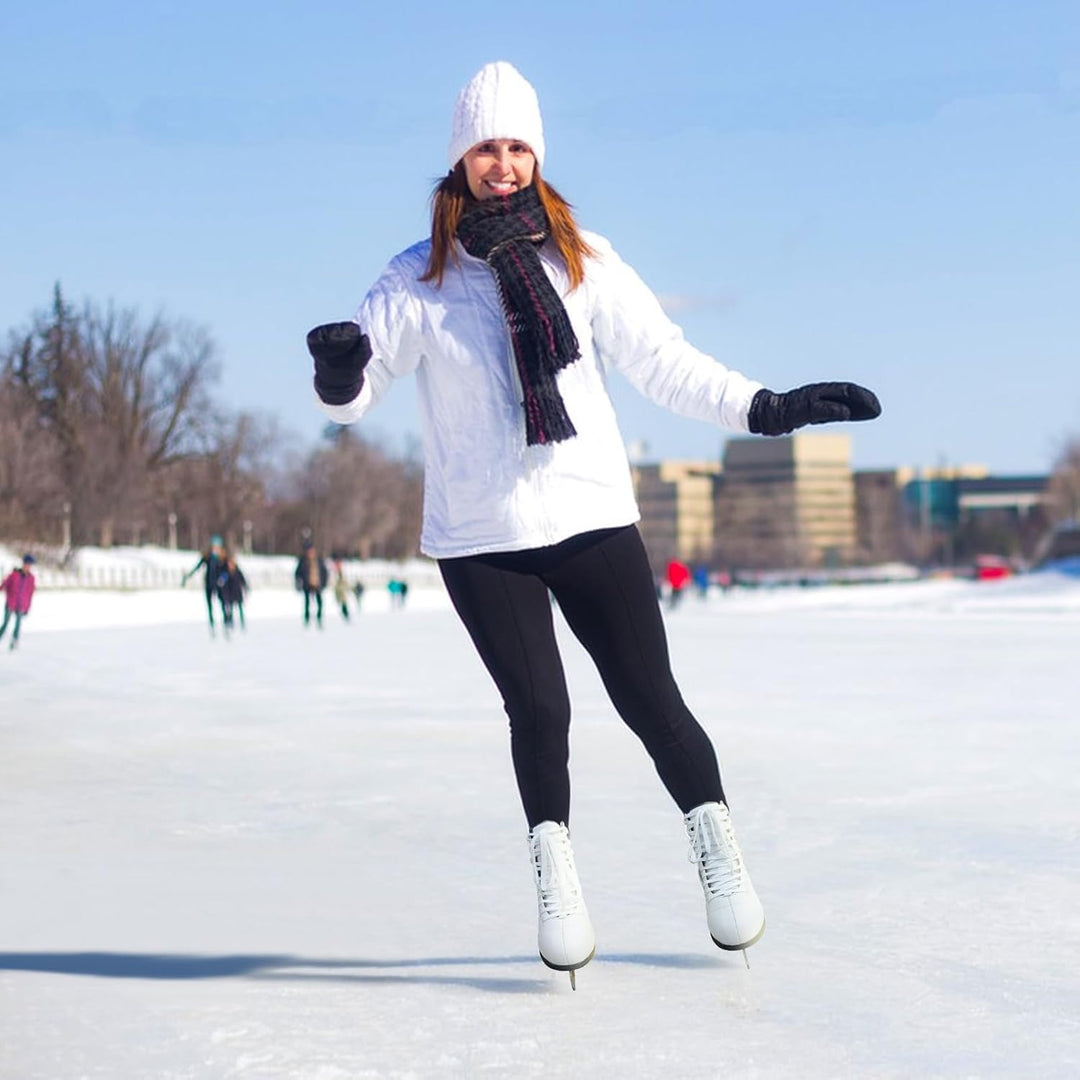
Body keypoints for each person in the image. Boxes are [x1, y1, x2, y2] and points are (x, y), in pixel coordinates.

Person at [305, 61, 881, 985]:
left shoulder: (584, 259)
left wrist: (767, 409)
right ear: (460, 159)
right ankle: (558, 882)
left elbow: (667, 363)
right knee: (540, 710)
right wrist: (338, 371)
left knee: (652, 702)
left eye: (519, 145)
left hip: (589, 515)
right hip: (483, 537)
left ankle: (718, 852)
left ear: (538, 154)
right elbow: (357, 393)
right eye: (487, 147)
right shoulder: (419, 277)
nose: (504, 163)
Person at [182, 536, 226, 636]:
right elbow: (197, 567)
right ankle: (212, 624)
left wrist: (223, 579)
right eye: (214, 546)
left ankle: (225, 622)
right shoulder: (207, 557)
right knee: (210, 605)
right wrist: (189, 576)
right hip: (209, 583)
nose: (215, 548)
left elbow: (227, 571)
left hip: (219, 585)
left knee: (222, 603)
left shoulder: (222, 558)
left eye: (217, 546)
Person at [1, 554, 37, 651]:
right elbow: (5, 584)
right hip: (11, 603)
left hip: (21, 605)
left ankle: (14, 641)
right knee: (5, 623)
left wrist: (27, 607)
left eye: (30, 565)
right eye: (26, 564)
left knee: (18, 624)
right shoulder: (14, 575)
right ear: (23, 564)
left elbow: (30, 594)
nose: (28, 567)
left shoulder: (31, 578)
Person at [295, 541, 328, 628]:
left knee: (319, 602)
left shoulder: (318, 560)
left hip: (317, 584)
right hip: (307, 584)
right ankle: (307, 619)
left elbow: (324, 572)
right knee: (307, 603)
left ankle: (319, 618)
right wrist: (299, 582)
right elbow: (298, 573)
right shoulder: (303, 560)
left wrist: (324, 583)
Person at [217, 554, 248, 635]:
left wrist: (245, 587)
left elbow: (243, 580)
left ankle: (242, 623)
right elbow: (221, 581)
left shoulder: (237, 571)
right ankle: (230, 623)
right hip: (230, 594)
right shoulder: (226, 572)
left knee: (240, 608)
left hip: (237, 593)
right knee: (230, 609)